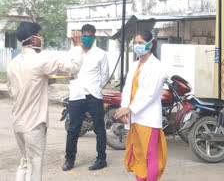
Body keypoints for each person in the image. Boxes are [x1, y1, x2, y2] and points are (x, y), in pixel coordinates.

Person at [6, 21, 84, 181]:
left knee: (25, 162)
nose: (42, 39)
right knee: (35, 164)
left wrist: (44, 82)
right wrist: (77, 46)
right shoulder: (41, 59)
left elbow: (14, 89)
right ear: (33, 39)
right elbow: (73, 67)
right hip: (34, 122)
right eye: (40, 36)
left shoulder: (13, 64)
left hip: (18, 121)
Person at [114, 31, 167, 181]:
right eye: (136, 43)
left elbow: (150, 94)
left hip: (148, 119)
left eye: (141, 43)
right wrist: (124, 110)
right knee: (138, 154)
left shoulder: (157, 66)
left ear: (151, 44)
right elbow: (127, 89)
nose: (137, 46)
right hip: (134, 117)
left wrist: (129, 109)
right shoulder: (134, 65)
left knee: (150, 155)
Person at [62, 24, 109, 171]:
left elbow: (105, 75)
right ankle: (69, 160)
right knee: (73, 128)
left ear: (94, 36)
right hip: (76, 95)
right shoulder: (73, 52)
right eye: (85, 35)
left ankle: (101, 159)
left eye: (90, 35)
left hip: (94, 95)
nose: (87, 37)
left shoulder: (101, 54)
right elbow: (68, 70)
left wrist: (96, 87)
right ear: (81, 35)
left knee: (100, 129)